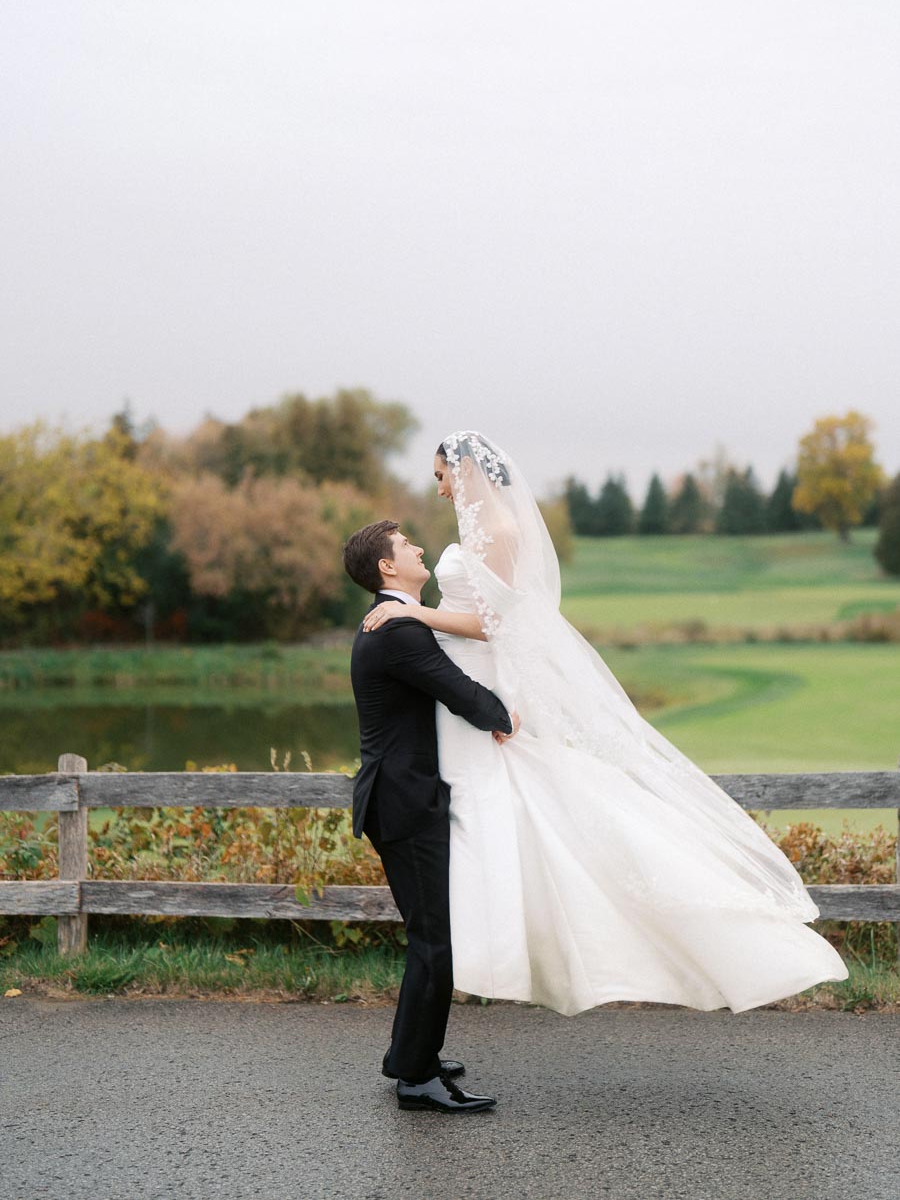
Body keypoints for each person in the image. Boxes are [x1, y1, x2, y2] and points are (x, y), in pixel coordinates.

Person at [362, 431, 850, 1016]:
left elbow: (495, 622)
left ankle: (499, 949)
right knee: (491, 812)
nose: (438, 489)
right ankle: (482, 947)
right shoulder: (473, 531)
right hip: (461, 685)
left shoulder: (501, 532)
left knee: (509, 803)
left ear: (465, 470)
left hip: (480, 682)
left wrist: (414, 612)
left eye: (441, 476)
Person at [342, 519, 519, 1113]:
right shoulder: (396, 632)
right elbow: (462, 694)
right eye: (406, 546)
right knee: (433, 942)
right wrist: (507, 715)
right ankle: (416, 1078)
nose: (418, 548)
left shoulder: (398, 621)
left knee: (431, 936)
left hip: (402, 797)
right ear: (388, 567)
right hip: (405, 802)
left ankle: (409, 1056)